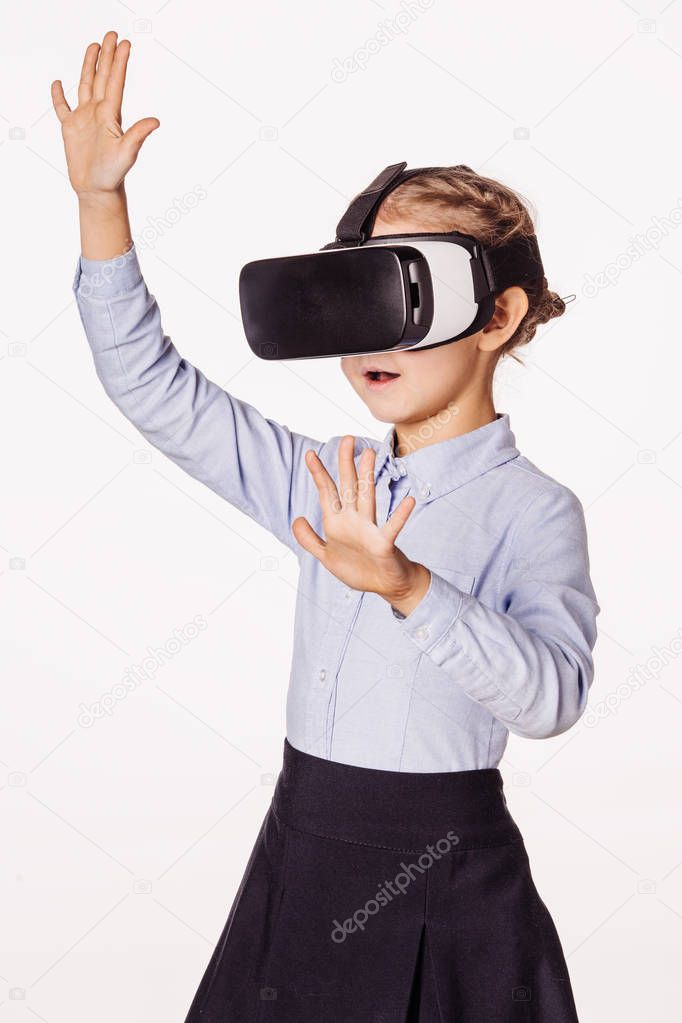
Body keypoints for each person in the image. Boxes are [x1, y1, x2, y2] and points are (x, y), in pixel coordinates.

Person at [52, 29, 600, 1023]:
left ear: (499, 315)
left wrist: (408, 588)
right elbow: (152, 386)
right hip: (300, 850)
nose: (369, 337)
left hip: (444, 871)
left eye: (407, 289)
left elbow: (552, 698)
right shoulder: (323, 480)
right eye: (356, 290)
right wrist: (101, 203)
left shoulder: (534, 509)